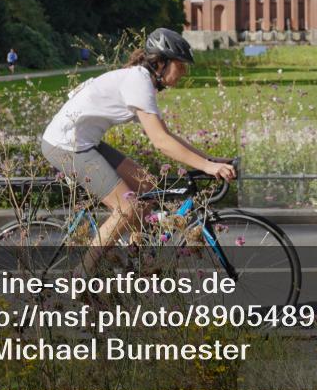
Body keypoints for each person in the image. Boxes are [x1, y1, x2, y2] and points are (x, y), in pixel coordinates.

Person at [41, 28, 236, 275]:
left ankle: (137, 263)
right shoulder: (138, 81)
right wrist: (208, 167)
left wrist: (208, 160)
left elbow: (166, 135)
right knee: (127, 208)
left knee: (148, 188)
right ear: (162, 63)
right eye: (181, 65)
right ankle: (80, 276)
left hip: (85, 141)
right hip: (65, 144)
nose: (184, 72)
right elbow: (161, 142)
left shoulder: (142, 81)